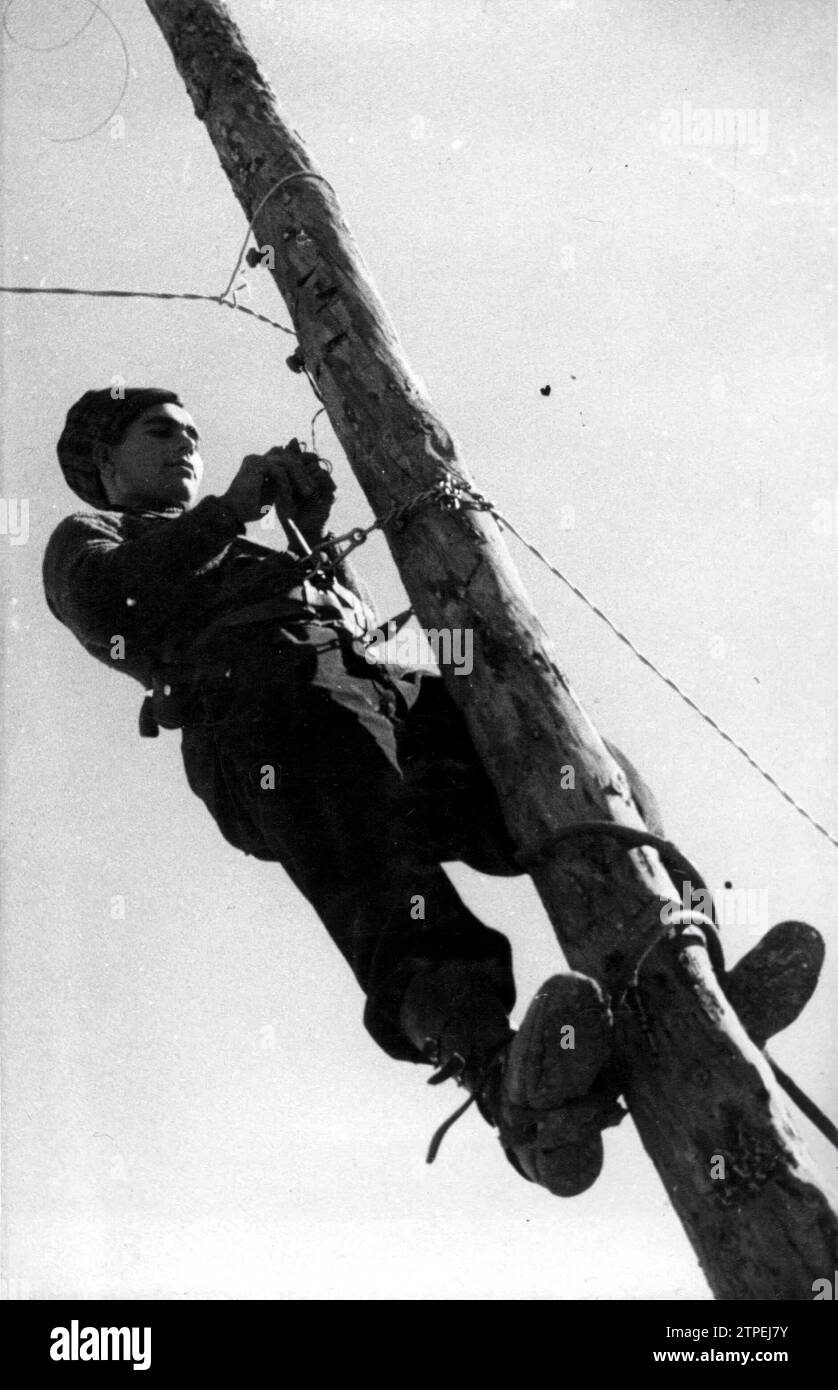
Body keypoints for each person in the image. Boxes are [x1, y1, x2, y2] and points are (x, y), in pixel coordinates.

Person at [43, 387, 822, 1197]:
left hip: (367, 688)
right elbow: (110, 604)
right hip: (265, 716)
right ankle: (507, 1082)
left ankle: (677, 975)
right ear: (104, 461)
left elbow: (360, 630)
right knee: (378, 863)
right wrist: (234, 510)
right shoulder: (90, 537)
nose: (186, 445)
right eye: (159, 430)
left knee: (561, 748)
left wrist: (316, 539)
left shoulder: (248, 547)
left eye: (193, 432)